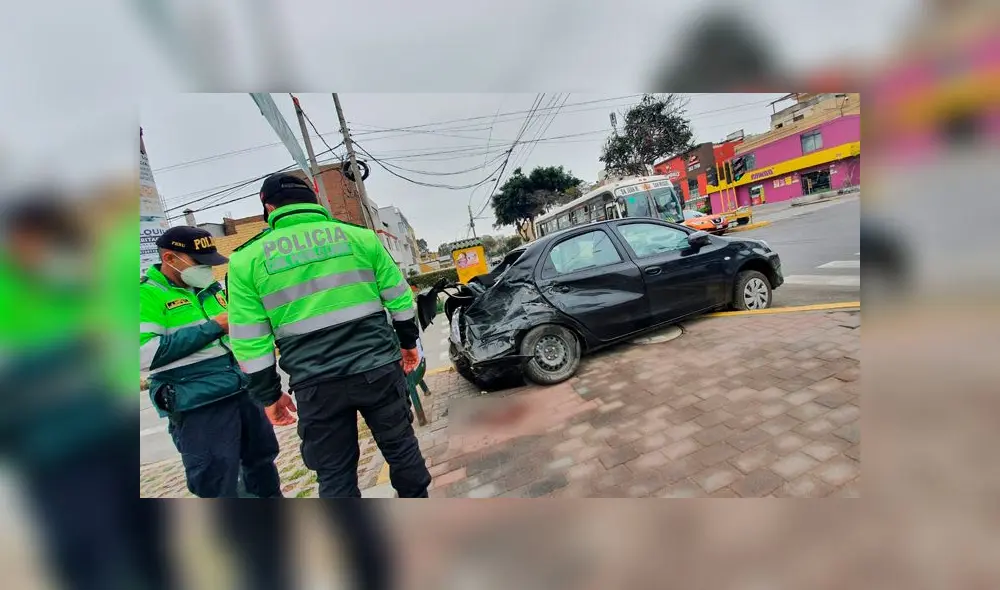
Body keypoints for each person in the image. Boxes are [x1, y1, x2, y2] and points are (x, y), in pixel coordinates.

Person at [227, 173, 431, 498]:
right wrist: (407, 344)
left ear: (268, 206)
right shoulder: (360, 239)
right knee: (400, 447)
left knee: (334, 473)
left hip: (315, 383)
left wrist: (269, 395)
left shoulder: (245, 261)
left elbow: (250, 339)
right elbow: (400, 299)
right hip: (377, 367)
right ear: (315, 200)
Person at [140, 226, 282, 498]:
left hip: (242, 391)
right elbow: (143, 354)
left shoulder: (210, 289)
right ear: (170, 259)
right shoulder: (145, 296)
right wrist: (214, 326)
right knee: (217, 480)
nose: (208, 270)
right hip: (198, 403)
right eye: (200, 263)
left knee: (263, 465)